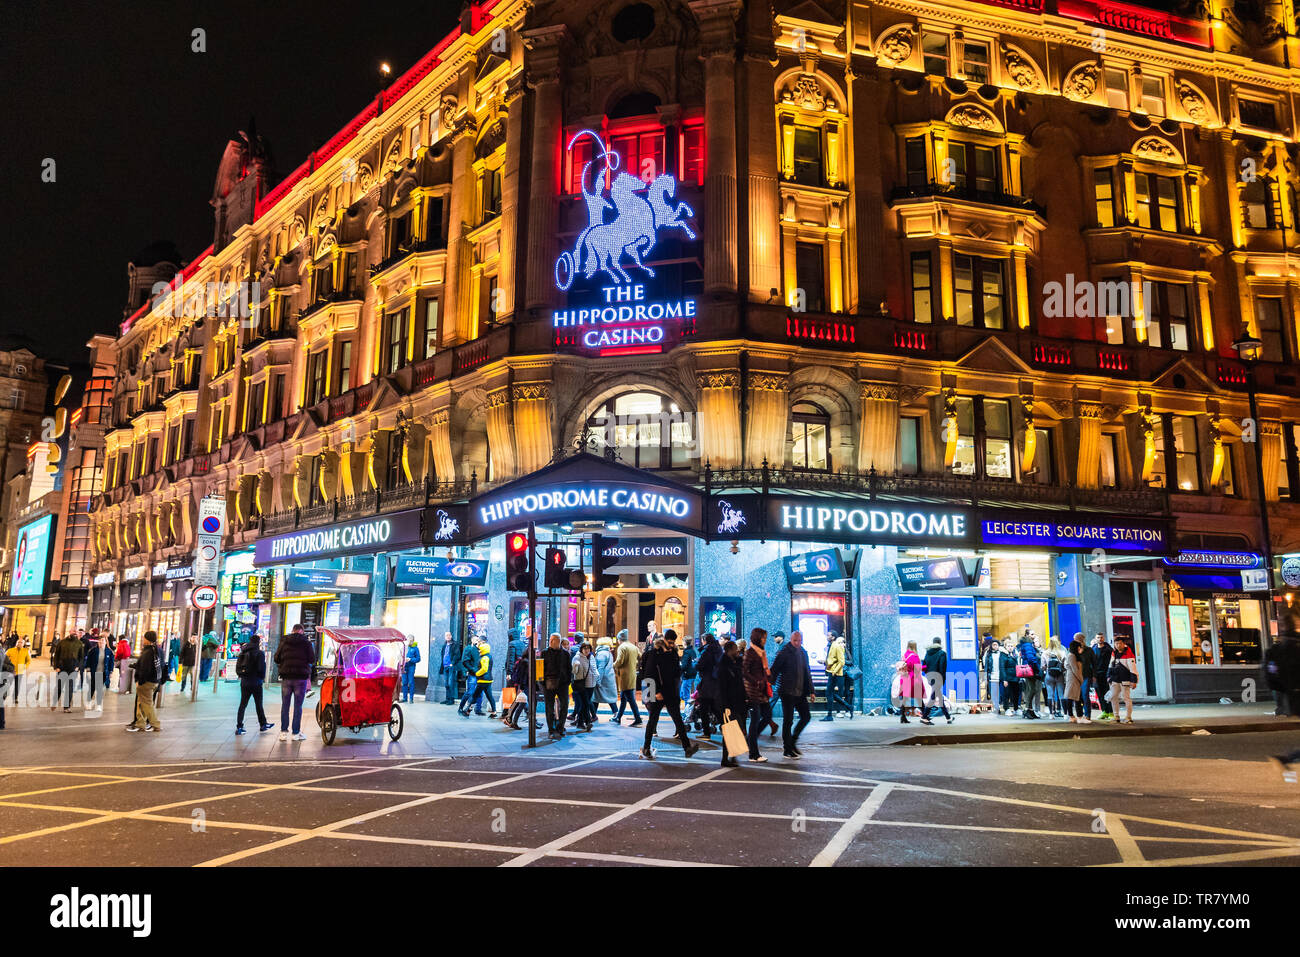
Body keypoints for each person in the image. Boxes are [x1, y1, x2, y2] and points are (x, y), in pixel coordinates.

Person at [640, 631, 699, 760]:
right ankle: (646, 747)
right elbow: (649, 674)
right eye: (670, 642)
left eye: (673, 643)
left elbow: (675, 671)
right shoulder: (654, 653)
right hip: (659, 692)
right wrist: (654, 693)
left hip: (671, 692)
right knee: (653, 720)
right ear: (665, 640)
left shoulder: (673, 653)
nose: (672, 645)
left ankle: (687, 748)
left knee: (677, 719)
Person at [769, 629, 815, 758]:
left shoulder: (803, 652)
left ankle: (793, 741)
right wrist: (770, 685)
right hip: (787, 692)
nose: (797, 643)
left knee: (806, 717)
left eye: (799, 641)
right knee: (788, 720)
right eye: (795, 640)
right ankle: (787, 748)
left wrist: (811, 691)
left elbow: (807, 672)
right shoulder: (784, 652)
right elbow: (775, 669)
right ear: (791, 639)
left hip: (800, 692)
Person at [274, 624, 314, 741]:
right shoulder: (306, 643)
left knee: (285, 705)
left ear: (293, 630)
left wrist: (284, 662)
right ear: (301, 631)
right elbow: (312, 659)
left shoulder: (284, 641)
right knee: (298, 706)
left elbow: (276, 658)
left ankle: (283, 732)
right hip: (300, 678)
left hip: (286, 677)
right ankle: (295, 733)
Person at [124, 631, 166, 732]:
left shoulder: (148, 652)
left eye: (144, 638)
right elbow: (162, 665)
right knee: (141, 703)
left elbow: (145, 668)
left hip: (147, 682)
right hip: (155, 681)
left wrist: (140, 681)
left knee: (146, 703)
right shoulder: (158, 650)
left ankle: (155, 724)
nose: (143, 639)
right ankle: (140, 723)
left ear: (148, 639)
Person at [742, 628, 772, 762]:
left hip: (762, 691)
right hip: (753, 692)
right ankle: (753, 754)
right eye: (763, 638)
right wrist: (756, 681)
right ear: (757, 638)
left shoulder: (762, 653)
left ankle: (749, 740)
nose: (765, 640)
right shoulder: (750, 653)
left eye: (765, 638)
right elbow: (744, 671)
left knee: (767, 716)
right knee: (755, 721)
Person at [234, 634, 274, 734]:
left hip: (245, 682)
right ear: (258, 642)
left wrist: (242, 675)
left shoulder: (243, 652)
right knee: (258, 704)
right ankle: (263, 724)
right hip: (256, 682)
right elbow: (261, 668)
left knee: (243, 704)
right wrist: (261, 678)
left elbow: (238, 667)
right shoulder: (259, 653)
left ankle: (239, 726)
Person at [715, 640, 746, 768]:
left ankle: (732, 756)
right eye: (735, 649)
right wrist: (725, 706)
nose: (737, 651)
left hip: (736, 701)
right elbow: (723, 688)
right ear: (729, 651)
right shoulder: (723, 666)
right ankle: (726, 758)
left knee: (735, 729)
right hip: (727, 703)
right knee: (730, 730)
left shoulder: (734, 663)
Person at [541, 634, 572, 740]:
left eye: (552, 640)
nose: (550, 641)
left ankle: (560, 727)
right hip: (548, 684)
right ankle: (551, 729)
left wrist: (567, 681)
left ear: (558, 641)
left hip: (562, 684)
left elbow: (569, 669)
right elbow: (541, 668)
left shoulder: (565, 654)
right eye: (550, 639)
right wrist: (542, 683)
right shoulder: (544, 653)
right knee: (549, 708)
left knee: (564, 706)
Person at [693, 632, 723, 738]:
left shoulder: (708, 651)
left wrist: (696, 664)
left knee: (704, 708)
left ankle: (706, 733)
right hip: (715, 683)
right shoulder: (718, 650)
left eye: (702, 640)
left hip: (707, 683)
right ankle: (728, 729)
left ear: (705, 640)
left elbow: (701, 665)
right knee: (715, 708)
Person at [922, 636, 954, 724]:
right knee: (933, 697)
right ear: (940, 643)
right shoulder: (942, 653)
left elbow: (924, 665)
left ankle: (948, 718)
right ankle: (924, 717)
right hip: (938, 677)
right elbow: (942, 668)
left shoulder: (928, 653)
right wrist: (942, 680)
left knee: (939, 697)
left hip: (930, 677)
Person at [613, 631, 641, 726]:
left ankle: (638, 719)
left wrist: (612, 665)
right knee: (623, 698)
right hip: (632, 675)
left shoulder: (622, 647)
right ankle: (618, 718)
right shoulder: (634, 647)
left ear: (619, 639)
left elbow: (619, 661)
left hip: (624, 676)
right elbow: (640, 657)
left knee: (630, 699)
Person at [1108, 636, 1138, 724]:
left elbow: (1133, 668)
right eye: (1116, 643)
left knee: (1126, 698)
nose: (1118, 645)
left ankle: (1128, 717)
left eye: (1120, 643)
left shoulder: (1129, 654)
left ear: (1124, 644)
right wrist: (1109, 677)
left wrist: (1134, 681)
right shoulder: (1114, 653)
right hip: (1115, 679)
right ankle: (1116, 716)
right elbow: (1110, 665)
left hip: (1125, 679)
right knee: (1113, 697)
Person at [822, 635, 851, 720]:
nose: (842, 643)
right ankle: (837, 711)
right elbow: (831, 660)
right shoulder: (835, 648)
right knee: (834, 692)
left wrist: (836, 668)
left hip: (841, 673)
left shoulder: (843, 650)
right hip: (836, 673)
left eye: (843, 642)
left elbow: (846, 661)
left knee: (843, 692)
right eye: (840, 642)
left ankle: (845, 709)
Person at [465, 637, 497, 717]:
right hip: (488, 680)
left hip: (482, 680)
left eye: (480, 649)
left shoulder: (484, 658)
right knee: (489, 696)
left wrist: (477, 673)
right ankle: (494, 712)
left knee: (475, 695)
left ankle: (468, 711)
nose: (479, 651)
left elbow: (484, 669)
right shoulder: (489, 656)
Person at [53, 630, 83, 713]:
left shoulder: (79, 643)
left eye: (76, 632)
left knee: (69, 688)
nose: (75, 633)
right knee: (59, 687)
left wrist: (78, 667)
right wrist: (56, 666)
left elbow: (81, 657)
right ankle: (54, 702)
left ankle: (66, 707)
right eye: (73, 632)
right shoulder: (62, 642)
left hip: (73, 669)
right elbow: (56, 655)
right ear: (70, 632)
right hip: (62, 668)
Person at [569, 642, 596, 732]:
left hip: (589, 684)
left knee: (585, 704)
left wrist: (597, 679)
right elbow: (574, 672)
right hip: (580, 684)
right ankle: (585, 722)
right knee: (584, 704)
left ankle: (582, 722)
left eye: (588, 649)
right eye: (585, 649)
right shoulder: (577, 658)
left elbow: (594, 669)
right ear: (581, 649)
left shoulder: (590, 657)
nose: (587, 650)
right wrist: (576, 666)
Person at [897, 640, 925, 724]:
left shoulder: (905, 655)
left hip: (904, 678)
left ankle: (903, 717)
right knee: (919, 697)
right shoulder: (914, 656)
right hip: (913, 679)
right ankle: (925, 716)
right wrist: (926, 666)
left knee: (905, 699)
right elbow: (917, 668)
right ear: (914, 646)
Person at [1016, 631, 1042, 720]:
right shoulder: (1028, 645)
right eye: (1032, 634)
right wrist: (1037, 668)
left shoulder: (1028, 645)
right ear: (1027, 636)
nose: (1034, 636)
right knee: (1032, 689)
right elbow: (1031, 658)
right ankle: (1027, 709)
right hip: (1031, 669)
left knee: (1031, 689)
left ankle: (1030, 710)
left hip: (1029, 669)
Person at [1063, 635, 1087, 723]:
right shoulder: (1071, 656)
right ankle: (1074, 716)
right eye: (1079, 647)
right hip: (1073, 678)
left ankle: (1076, 716)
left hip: (1074, 678)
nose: (1080, 648)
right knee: (1072, 697)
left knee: (1075, 697)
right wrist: (1081, 679)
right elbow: (1075, 669)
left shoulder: (1073, 655)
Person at [1091, 634, 1114, 720]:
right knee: (1099, 693)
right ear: (1095, 639)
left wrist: (1110, 674)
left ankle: (1111, 712)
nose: (1100, 639)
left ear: (1103, 638)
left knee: (1107, 693)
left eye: (1101, 637)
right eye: (1098, 637)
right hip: (1097, 675)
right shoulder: (1093, 649)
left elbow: (1112, 662)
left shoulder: (1108, 649)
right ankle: (1104, 711)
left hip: (1106, 674)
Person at [592, 639, 618, 718]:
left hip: (603, 680)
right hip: (608, 678)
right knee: (609, 698)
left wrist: (598, 680)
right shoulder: (608, 653)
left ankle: (593, 715)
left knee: (595, 697)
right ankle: (615, 713)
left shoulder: (601, 654)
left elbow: (600, 668)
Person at [457, 637, 482, 714]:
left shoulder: (480, 650)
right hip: (472, 674)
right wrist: (470, 670)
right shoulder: (469, 648)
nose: (477, 641)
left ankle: (478, 709)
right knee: (470, 692)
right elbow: (465, 661)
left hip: (480, 674)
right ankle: (461, 707)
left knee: (480, 692)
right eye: (476, 640)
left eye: (478, 640)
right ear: (472, 640)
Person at [1042, 636, 1066, 718]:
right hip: (1059, 675)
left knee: (1050, 695)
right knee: (1061, 695)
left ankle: (1051, 714)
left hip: (1049, 675)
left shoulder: (1045, 653)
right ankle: (1065, 714)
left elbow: (1043, 666)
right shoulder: (1062, 653)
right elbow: (1065, 665)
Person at [5, 637, 31, 705]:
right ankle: (3, 696)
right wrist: (7, 668)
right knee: (7, 684)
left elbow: (28, 660)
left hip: (20, 671)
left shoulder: (25, 651)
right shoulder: (10, 650)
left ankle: (15, 697)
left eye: (21, 642)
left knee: (17, 685)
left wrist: (25, 666)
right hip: (11, 671)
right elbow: (4, 659)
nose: (19, 643)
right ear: (16, 643)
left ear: (23, 644)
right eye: (18, 642)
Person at [998, 638, 1020, 714]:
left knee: (1016, 694)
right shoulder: (1003, 655)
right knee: (1006, 694)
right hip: (1007, 678)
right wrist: (1004, 679)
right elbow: (1002, 667)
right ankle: (1006, 708)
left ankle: (1016, 708)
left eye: (1011, 646)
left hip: (1015, 677)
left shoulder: (1015, 654)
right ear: (1005, 647)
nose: (1010, 647)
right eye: (1008, 646)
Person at [436, 632, 457, 705]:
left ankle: (451, 699)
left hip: (451, 666)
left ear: (451, 636)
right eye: (446, 635)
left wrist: (452, 663)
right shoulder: (444, 645)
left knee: (451, 683)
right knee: (446, 684)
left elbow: (457, 655)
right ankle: (447, 698)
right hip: (445, 666)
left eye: (449, 635)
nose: (447, 636)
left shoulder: (454, 644)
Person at [983, 639, 1003, 712]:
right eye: (993, 645)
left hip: (1001, 676)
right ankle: (996, 707)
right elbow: (986, 665)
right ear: (991, 646)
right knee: (993, 693)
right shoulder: (988, 654)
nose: (995, 646)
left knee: (1000, 693)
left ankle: (998, 705)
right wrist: (986, 676)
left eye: (996, 645)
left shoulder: (1002, 653)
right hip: (992, 676)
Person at [400, 635, 420, 704]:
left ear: (413, 640)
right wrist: (402, 661)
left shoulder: (415, 648)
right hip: (404, 666)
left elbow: (418, 659)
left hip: (411, 667)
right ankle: (404, 698)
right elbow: (400, 655)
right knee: (404, 682)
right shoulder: (404, 647)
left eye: (411, 640)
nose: (409, 642)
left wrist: (411, 659)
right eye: (408, 640)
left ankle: (411, 698)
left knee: (411, 682)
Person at [678, 635, 698, 703]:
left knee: (685, 696)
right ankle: (690, 705)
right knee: (682, 694)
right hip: (692, 675)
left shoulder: (686, 652)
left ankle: (688, 712)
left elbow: (684, 666)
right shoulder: (693, 651)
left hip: (687, 676)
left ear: (684, 642)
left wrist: (679, 666)